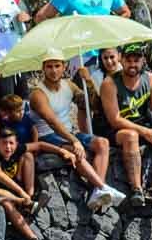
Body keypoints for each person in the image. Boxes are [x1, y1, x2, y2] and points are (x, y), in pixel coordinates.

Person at [29, 49, 125, 211]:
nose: (53, 71)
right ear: (43, 68)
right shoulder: (37, 94)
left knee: (102, 143)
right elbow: (52, 122)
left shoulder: (69, 85)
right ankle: (102, 186)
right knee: (77, 151)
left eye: (57, 66)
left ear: (64, 66)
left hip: (68, 132)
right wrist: (74, 141)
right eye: (49, 67)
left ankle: (96, 192)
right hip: (47, 135)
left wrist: (88, 81)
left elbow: (93, 105)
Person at [101, 45, 152, 207]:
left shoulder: (149, 78)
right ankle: (136, 189)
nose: (132, 64)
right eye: (128, 60)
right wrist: (146, 132)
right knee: (131, 136)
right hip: (115, 129)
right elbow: (115, 119)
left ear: (143, 61)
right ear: (121, 60)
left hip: (143, 124)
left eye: (136, 60)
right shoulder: (109, 83)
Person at [0, 128, 43, 240]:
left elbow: (40, 145)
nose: (8, 147)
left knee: (28, 155)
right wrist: (20, 192)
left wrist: (62, 151)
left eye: (11, 143)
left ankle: (29, 199)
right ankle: (32, 238)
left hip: (16, 187)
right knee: (5, 202)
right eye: (4, 143)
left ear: (16, 143)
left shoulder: (16, 149)